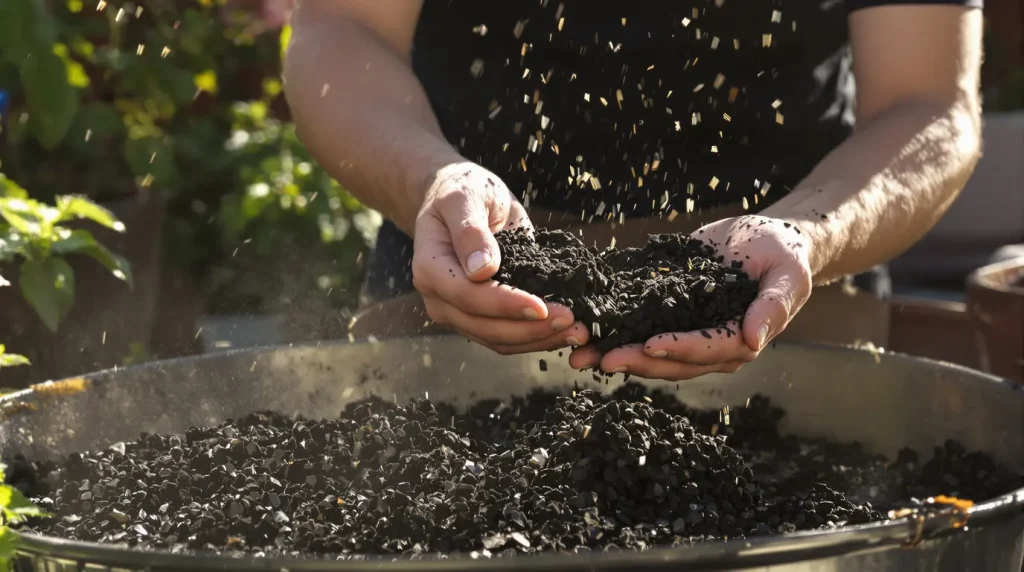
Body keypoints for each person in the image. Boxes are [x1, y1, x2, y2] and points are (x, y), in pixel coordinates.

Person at [284, 0, 983, 381]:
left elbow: (927, 103)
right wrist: (433, 178)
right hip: (465, 265)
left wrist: (809, 231)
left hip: (792, 285)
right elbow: (341, 29)